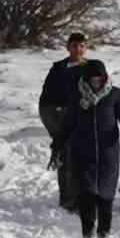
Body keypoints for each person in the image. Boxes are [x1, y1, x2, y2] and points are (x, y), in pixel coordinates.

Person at [61, 60, 120, 238]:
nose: (96, 83)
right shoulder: (76, 95)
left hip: (108, 154)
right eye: (93, 79)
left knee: (105, 197)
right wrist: (58, 143)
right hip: (82, 152)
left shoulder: (115, 94)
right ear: (86, 79)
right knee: (86, 195)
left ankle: (104, 235)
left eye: (99, 79)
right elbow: (69, 121)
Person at [39, 32, 94, 211]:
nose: (78, 49)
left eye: (81, 46)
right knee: (66, 152)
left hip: (81, 116)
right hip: (56, 114)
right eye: (74, 46)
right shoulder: (59, 68)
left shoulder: (92, 67)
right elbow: (47, 95)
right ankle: (68, 199)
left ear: (85, 47)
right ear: (68, 47)